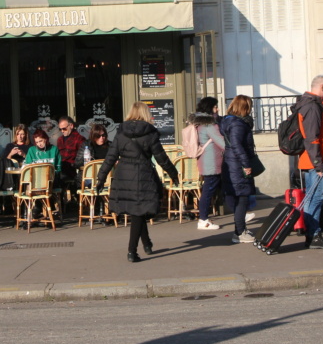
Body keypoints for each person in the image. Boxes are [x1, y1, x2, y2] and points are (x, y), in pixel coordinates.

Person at [96, 102, 179, 263]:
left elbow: (110, 158)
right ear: (145, 114)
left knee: (137, 211)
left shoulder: (120, 134)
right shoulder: (150, 134)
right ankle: (131, 251)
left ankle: (146, 243)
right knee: (139, 211)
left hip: (124, 176)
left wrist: (101, 178)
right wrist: (173, 173)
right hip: (143, 174)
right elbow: (161, 157)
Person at [294, 75, 323, 249]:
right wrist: (319, 165)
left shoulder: (310, 104)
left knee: (312, 198)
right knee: (315, 198)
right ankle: (313, 235)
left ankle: (312, 235)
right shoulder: (313, 106)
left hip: (312, 160)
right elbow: (312, 138)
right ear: (321, 87)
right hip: (316, 161)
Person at [219, 95, 258, 243]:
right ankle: (240, 232)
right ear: (244, 107)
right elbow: (237, 145)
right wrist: (246, 164)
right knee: (242, 198)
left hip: (231, 162)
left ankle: (239, 230)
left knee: (238, 198)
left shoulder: (228, 121)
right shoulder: (238, 124)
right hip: (237, 165)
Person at [190, 112, 225, 231]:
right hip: (212, 163)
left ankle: (204, 219)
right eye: (214, 107)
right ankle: (203, 220)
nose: (217, 110)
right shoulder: (210, 126)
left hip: (204, 162)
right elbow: (223, 144)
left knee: (208, 190)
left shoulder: (198, 126)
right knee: (208, 191)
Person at [56, 116, 86, 196]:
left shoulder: (79, 139)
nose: (62, 131)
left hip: (72, 169)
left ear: (71, 126)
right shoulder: (60, 140)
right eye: (60, 129)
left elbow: (82, 158)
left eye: (64, 129)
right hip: (60, 168)